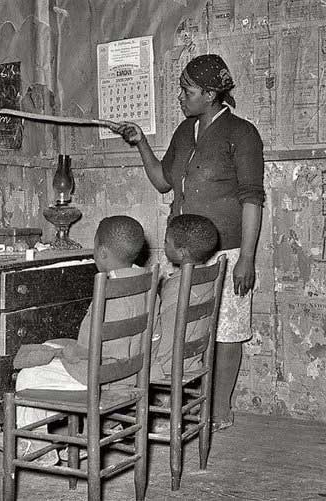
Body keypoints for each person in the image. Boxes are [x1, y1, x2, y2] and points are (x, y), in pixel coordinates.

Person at [110, 54, 265, 431]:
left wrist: (246, 258)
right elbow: (163, 181)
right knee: (175, 328)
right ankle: (175, 404)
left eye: (188, 90)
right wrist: (140, 142)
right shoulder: (185, 130)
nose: (181, 96)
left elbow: (252, 198)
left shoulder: (242, 133)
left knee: (226, 331)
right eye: (182, 89)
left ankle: (220, 408)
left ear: (211, 94)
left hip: (225, 254)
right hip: (179, 254)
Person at [0, 215, 150, 466]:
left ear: (103, 252)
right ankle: (83, 435)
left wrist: (66, 352)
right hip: (131, 373)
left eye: (94, 247)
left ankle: (35, 445)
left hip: (101, 377)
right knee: (53, 349)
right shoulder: (146, 280)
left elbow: (87, 351)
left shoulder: (106, 289)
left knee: (29, 376)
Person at [151, 213, 219, 381]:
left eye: (166, 242)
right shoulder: (206, 278)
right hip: (192, 361)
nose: (164, 244)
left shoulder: (178, 285)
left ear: (181, 252)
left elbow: (162, 333)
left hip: (166, 365)